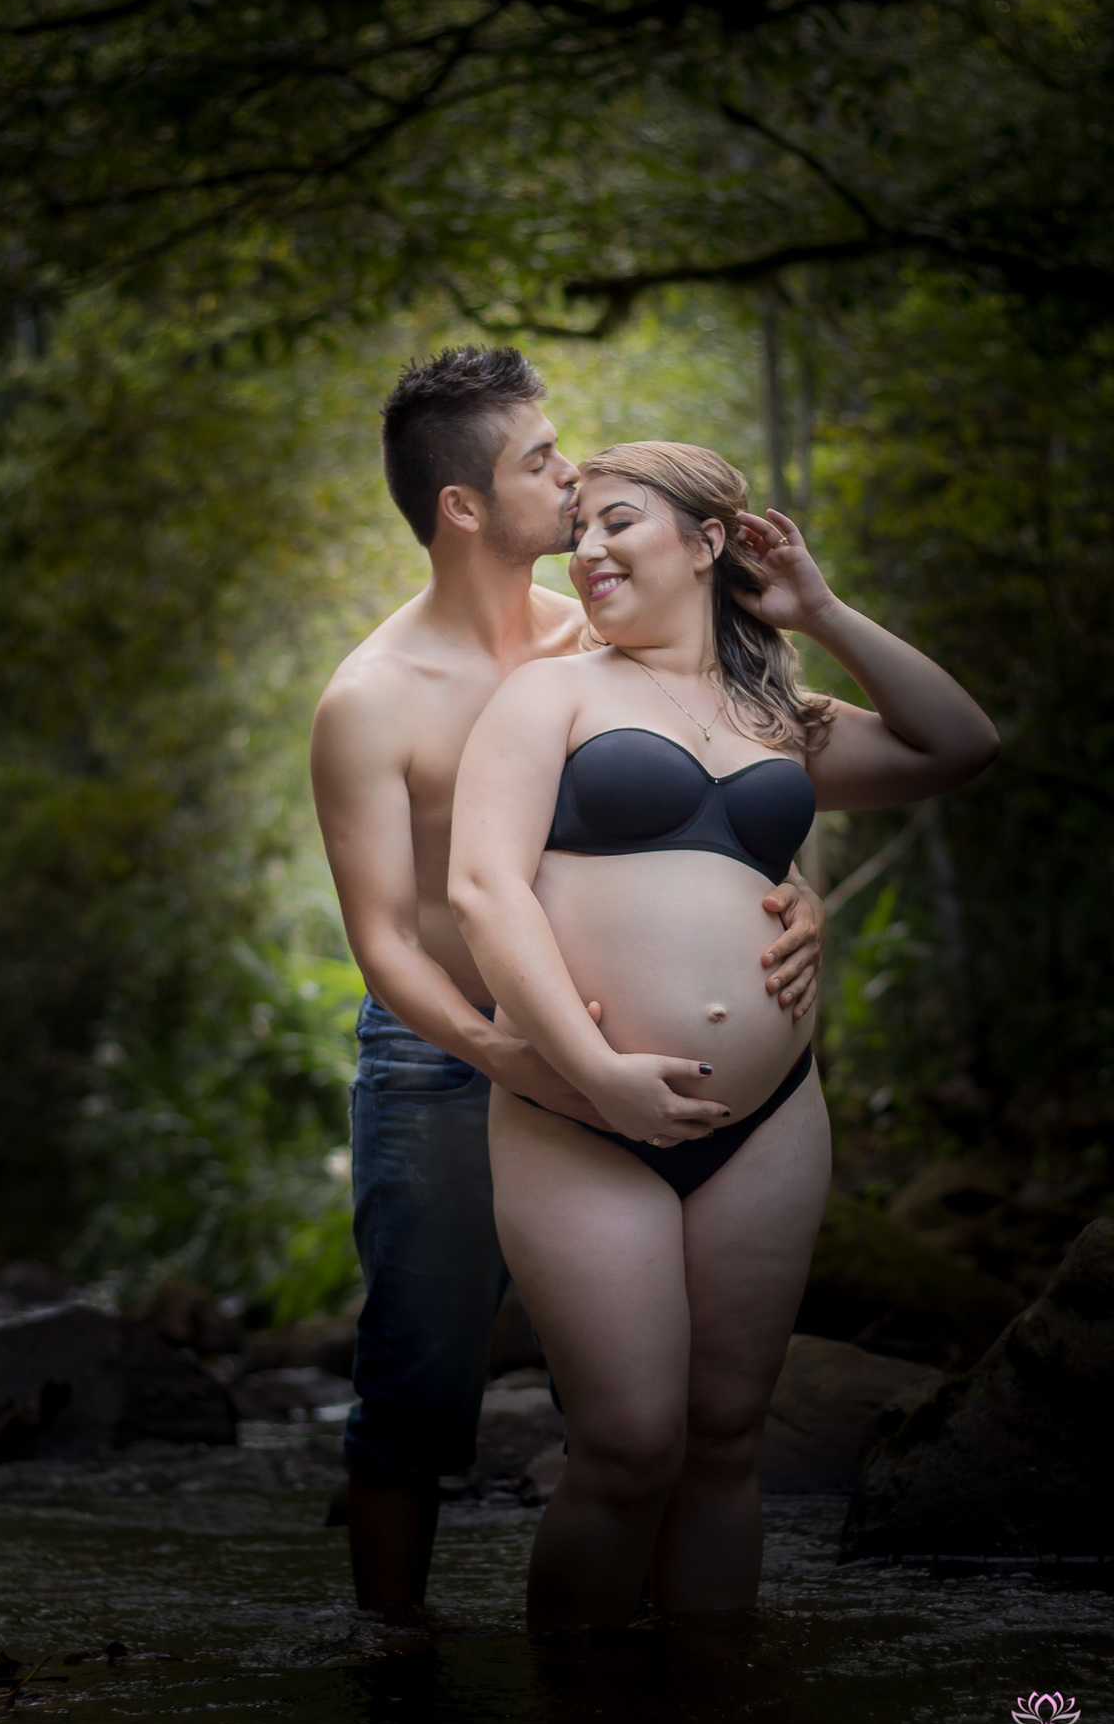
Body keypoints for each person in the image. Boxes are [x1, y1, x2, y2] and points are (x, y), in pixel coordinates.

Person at [448, 440, 999, 1632]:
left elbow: (961, 745)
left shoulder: (779, 712)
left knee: (723, 1441)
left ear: (708, 543)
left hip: (769, 1116)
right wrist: (593, 1070)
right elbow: (485, 891)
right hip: (580, 1113)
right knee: (630, 1446)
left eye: (619, 522)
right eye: (579, 527)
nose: (586, 548)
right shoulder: (551, 692)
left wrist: (824, 608)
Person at [311, 353, 829, 1614]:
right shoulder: (373, 700)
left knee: (670, 1420)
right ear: (465, 508)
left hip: (640, 1057)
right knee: (421, 1378)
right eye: (540, 460)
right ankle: (397, 1666)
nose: (570, 470)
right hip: (449, 1050)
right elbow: (385, 938)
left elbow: (729, 779)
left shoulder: (601, 628)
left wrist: (791, 885)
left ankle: (664, 1686)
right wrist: (523, 1059)